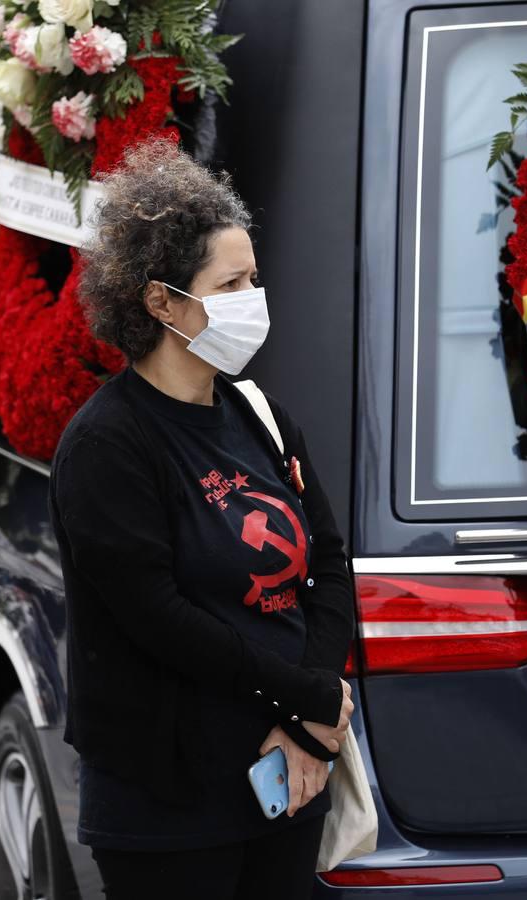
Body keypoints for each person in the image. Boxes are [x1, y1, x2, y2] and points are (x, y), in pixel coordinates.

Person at [49, 139, 356, 899]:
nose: (254, 297)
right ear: (160, 301)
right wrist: (304, 697)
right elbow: (157, 616)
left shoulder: (255, 412)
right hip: (170, 802)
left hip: (287, 776)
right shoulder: (107, 444)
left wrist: (310, 717)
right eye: (232, 282)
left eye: (254, 278)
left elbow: (329, 559)